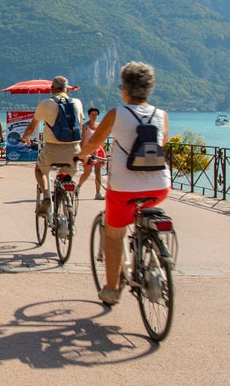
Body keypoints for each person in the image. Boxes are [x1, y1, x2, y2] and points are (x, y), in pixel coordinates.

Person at [76, 62, 171, 307]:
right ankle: (151, 258)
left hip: (124, 189)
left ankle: (112, 288)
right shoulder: (161, 115)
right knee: (143, 215)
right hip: (160, 186)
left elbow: (92, 144)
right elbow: (162, 145)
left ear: (125, 89)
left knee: (114, 233)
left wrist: (82, 156)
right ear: (149, 89)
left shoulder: (117, 114)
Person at [19, 76, 85, 213]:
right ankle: (68, 206)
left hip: (52, 149)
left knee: (39, 170)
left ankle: (47, 196)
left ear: (51, 89)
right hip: (74, 150)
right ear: (67, 90)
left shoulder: (46, 104)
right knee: (66, 175)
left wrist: (24, 138)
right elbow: (80, 127)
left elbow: (32, 127)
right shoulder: (77, 103)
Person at [77, 107, 108, 199]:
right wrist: (82, 153)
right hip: (88, 151)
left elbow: (102, 140)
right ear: (89, 115)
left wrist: (103, 149)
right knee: (87, 172)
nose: (94, 116)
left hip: (98, 151)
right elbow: (82, 141)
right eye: (92, 114)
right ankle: (78, 186)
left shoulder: (99, 126)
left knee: (98, 171)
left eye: (96, 115)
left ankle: (98, 193)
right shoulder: (85, 126)